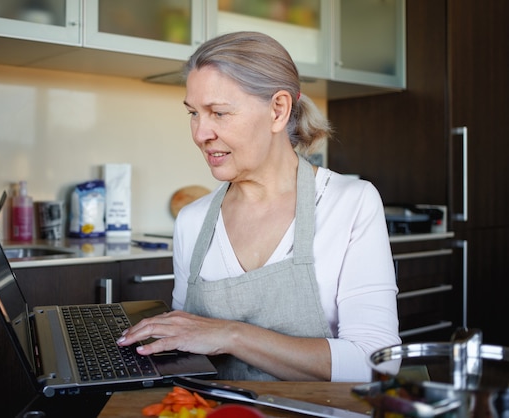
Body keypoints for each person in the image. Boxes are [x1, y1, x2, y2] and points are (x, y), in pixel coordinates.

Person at [117, 31, 400, 382]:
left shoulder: (350, 203)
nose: (200, 133)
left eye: (218, 113)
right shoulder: (193, 220)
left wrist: (231, 335)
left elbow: (378, 363)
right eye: (193, 113)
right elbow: (186, 354)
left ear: (278, 110)